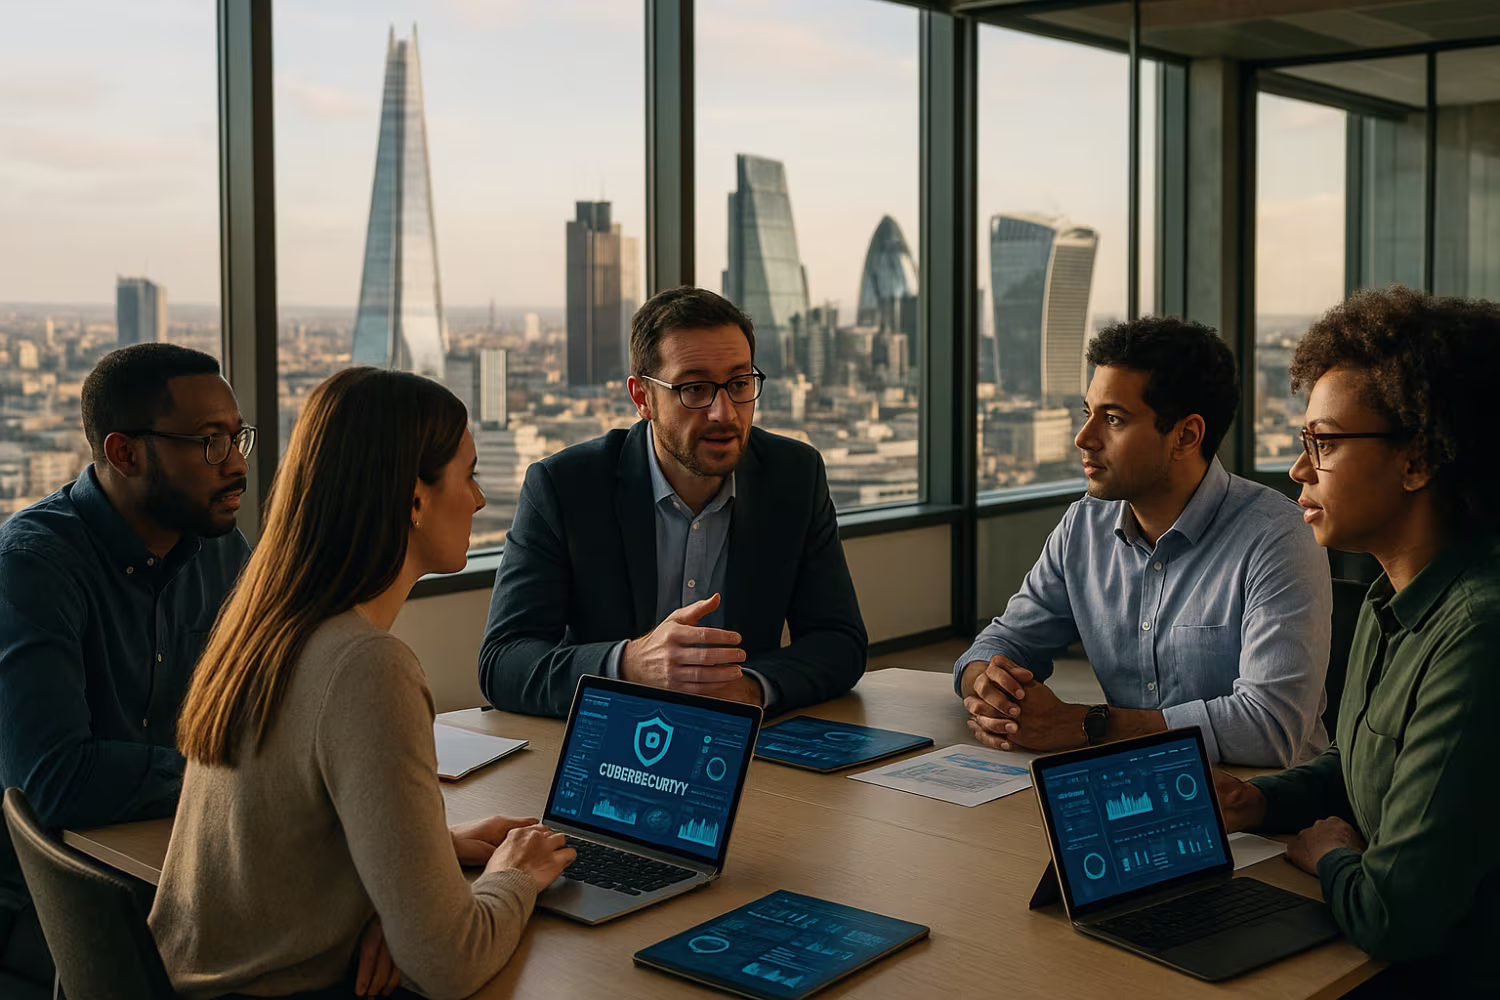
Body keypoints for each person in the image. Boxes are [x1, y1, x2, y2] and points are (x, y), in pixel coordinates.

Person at [150, 368, 574, 1000]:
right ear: (413, 498)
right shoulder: (368, 665)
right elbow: (448, 964)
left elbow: (285, 822)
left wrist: (421, 863)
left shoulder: (264, 624)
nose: (481, 501)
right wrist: (515, 875)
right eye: (470, 475)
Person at [1213, 287, 1500, 995]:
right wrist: (1266, 801)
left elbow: (1393, 915)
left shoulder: (1479, 634)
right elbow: (1361, 759)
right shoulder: (1385, 597)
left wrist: (1333, 856)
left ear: (1419, 460)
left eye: (1326, 442)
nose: (1298, 469)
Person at [956, 317, 1331, 767]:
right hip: (1135, 785)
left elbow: (1270, 727)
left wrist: (1088, 724)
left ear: (1186, 436)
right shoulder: (1084, 527)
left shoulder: (1277, 537)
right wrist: (988, 687)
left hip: (1265, 810)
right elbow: (1004, 640)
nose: (1084, 438)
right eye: (1087, 413)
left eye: (1113, 419)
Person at [479, 286, 867, 719]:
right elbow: (504, 661)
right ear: (643, 397)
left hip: (738, 747)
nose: (724, 412)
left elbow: (840, 642)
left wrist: (748, 689)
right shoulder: (565, 486)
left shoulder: (794, 476)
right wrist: (629, 664)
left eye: (739, 384)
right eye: (695, 389)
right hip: (609, 743)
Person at [0, 344, 252, 994]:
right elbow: (53, 782)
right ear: (124, 453)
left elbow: (268, 709)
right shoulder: (33, 567)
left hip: (175, 872)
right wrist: (221, 777)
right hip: (48, 909)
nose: (238, 465)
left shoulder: (220, 554)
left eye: (237, 436)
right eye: (210, 442)